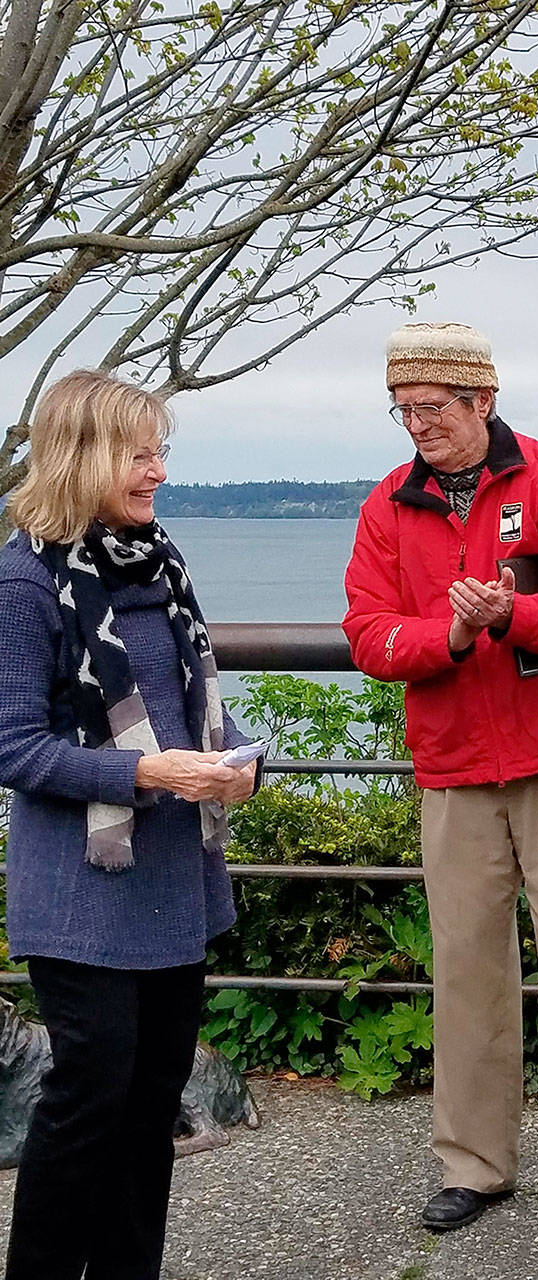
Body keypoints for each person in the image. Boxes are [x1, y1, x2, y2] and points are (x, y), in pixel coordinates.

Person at [343, 321, 538, 1234]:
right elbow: (367, 634)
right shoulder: (387, 505)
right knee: (466, 970)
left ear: (484, 400)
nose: (418, 425)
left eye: (433, 407)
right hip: (456, 767)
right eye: (403, 409)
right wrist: (454, 634)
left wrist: (514, 615)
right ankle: (475, 1163)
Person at [0, 369, 261, 1279]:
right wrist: (146, 771)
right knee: (88, 1101)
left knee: (152, 1104)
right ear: (84, 457)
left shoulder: (159, 562)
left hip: (173, 881)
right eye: (140, 455)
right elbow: (14, 747)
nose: (159, 473)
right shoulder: (25, 580)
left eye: (161, 453)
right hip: (79, 890)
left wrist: (238, 765)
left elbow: (189, 706)